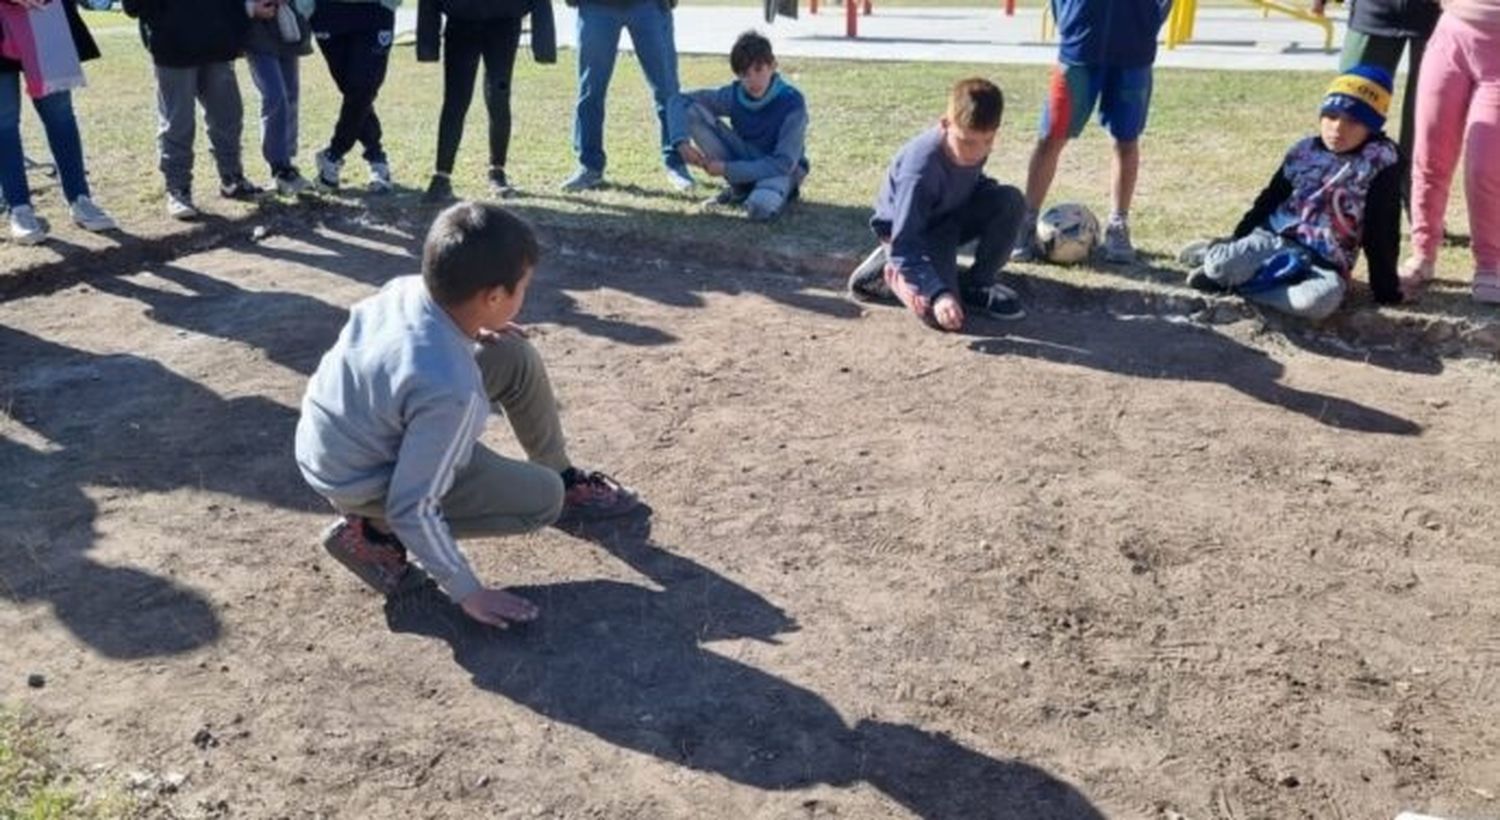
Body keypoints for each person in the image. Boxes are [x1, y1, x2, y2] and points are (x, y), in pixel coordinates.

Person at [294, 202, 642, 627]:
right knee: (542, 499)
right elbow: (413, 504)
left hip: (339, 437)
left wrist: (474, 330)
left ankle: (565, 477)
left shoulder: (406, 288)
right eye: (522, 288)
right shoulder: (449, 390)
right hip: (361, 476)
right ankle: (371, 534)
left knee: (511, 353)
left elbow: (411, 356)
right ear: (493, 297)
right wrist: (466, 589)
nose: (524, 296)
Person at [1178, 66, 1403, 320]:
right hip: (1274, 239)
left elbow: (1382, 228)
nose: (1337, 128)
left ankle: (1241, 285)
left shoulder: (1381, 163)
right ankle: (1215, 254)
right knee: (1220, 265)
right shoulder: (1303, 152)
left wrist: (1386, 289)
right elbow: (1269, 198)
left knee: (1317, 303)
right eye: (1330, 116)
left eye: (1352, 121)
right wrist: (1238, 240)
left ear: (1372, 126)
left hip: (1325, 261)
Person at [845, 77, 1028, 332]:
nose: (976, 152)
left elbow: (968, 183)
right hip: (912, 235)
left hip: (950, 215)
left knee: (1010, 200)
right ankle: (884, 273)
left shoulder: (974, 145)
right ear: (945, 124)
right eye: (966, 142)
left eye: (986, 141)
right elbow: (906, 242)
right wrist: (938, 294)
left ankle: (977, 284)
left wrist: (996, 209)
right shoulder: (919, 171)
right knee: (940, 315)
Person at [1012, 0, 1171, 265]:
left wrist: (1149, 21)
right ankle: (1026, 223)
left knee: (1126, 140)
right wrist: (1069, 19)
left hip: (1134, 50)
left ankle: (1118, 225)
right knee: (1051, 137)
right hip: (1080, 45)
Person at [122, 0, 264, 220]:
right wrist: (164, 21)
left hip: (218, 44)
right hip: (173, 48)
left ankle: (232, 177)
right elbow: (132, 7)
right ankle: (178, 189)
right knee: (178, 122)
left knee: (228, 116)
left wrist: (235, 31)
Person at [1400, 0, 1500, 304]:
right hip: (1452, 34)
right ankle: (1423, 251)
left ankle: (1490, 263)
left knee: (1485, 165)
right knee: (1430, 152)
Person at [416, 0, 557, 203]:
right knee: (455, 101)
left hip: (504, 23)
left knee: (499, 100)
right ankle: (442, 175)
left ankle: (497, 171)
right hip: (461, 22)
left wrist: (544, 44)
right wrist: (427, 44)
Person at [0, 0, 115, 243]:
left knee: (60, 116)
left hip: (46, 16)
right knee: (4, 123)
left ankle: (80, 198)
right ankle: (19, 208)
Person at [665, 30, 807, 222]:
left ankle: (764, 191)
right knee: (691, 109)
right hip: (745, 157)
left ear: (773, 66)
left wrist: (727, 169)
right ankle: (741, 188)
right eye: (744, 74)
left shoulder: (792, 102)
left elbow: (783, 163)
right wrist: (681, 142)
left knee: (759, 208)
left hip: (779, 169)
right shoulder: (734, 94)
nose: (752, 80)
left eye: (758, 69)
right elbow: (678, 100)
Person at [560, 0, 695, 193]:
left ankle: (677, 163)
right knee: (591, 91)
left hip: (649, 7)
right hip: (596, 7)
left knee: (667, 90)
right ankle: (589, 166)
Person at [309, 0, 401, 194]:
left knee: (364, 88)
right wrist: (306, 6)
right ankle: (377, 159)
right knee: (354, 92)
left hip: (376, 9)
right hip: (327, 12)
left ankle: (334, 154)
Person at [244, 0, 315, 196]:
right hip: (256, 31)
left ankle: (287, 165)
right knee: (276, 96)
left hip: (287, 28)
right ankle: (279, 166)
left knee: (290, 96)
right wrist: (250, 7)